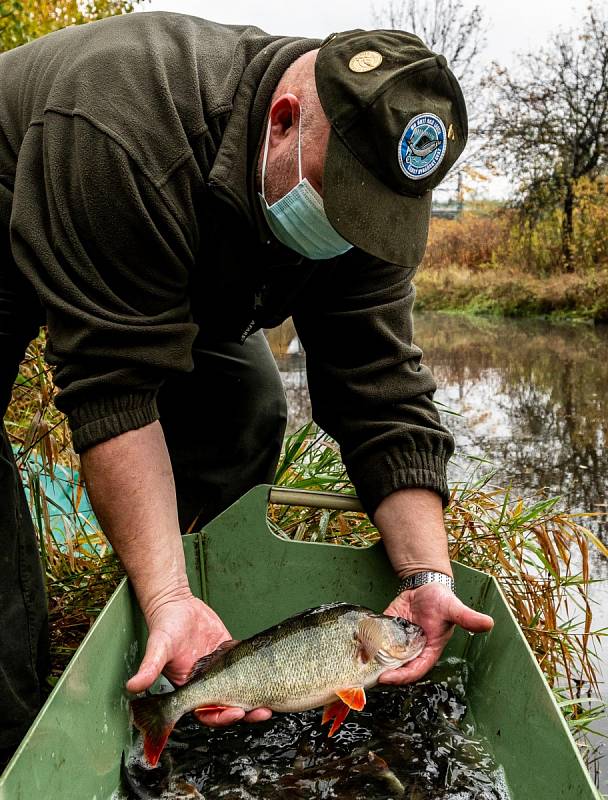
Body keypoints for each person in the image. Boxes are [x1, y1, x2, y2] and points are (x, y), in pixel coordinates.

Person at [0, 11, 494, 759]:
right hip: (35, 193)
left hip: (170, 255)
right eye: (341, 208)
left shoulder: (373, 195)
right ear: (286, 121)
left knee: (248, 406)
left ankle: (184, 639)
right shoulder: (126, 123)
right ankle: (16, 725)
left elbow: (382, 387)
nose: (355, 235)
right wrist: (164, 592)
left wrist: (426, 571)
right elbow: (114, 391)